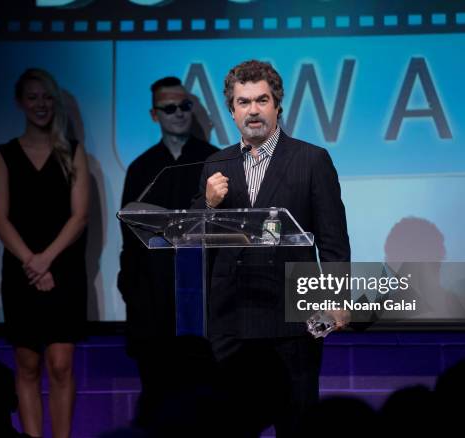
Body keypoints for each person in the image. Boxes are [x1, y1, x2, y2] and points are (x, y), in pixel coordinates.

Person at [192, 60, 351, 437]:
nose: (253, 110)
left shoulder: (311, 160)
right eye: (243, 102)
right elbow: (194, 235)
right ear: (231, 111)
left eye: (261, 100)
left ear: (277, 105)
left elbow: (332, 240)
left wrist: (337, 298)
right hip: (231, 321)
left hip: (291, 322)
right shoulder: (216, 165)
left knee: (295, 424)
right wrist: (207, 204)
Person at [0, 68, 89, 438]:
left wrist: (46, 260)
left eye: (47, 97)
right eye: (33, 97)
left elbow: (80, 217)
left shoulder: (73, 153)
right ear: (20, 102)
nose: (41, 104)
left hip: (63, 270)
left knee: (61, 364)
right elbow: (0, 219)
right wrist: (32, 263)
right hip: (21, 271)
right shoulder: (5, 155)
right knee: (27, 364)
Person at [117, 76, 218, 424]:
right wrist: (132, 292)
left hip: (203, 305)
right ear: (154, 114)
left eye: (185, 106)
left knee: (207, 404)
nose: (179, 114)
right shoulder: (141, 168)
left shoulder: (214, 160)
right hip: (152, 306)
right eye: (170, 108)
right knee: (157, 403)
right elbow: (129, 239)